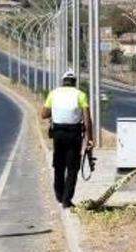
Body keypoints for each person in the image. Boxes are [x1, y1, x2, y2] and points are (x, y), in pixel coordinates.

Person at [41, 70, 93, 208]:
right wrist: (90, 139)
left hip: (58, 133)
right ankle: (66, 200)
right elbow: (87, 120)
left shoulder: (53, 94)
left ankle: (59, 194)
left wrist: (56, 110)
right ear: (74, 82)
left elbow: (44, 114)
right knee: (72, 168)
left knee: (59, 165)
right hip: (74, 134)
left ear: (63, 82)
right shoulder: (80, 95)